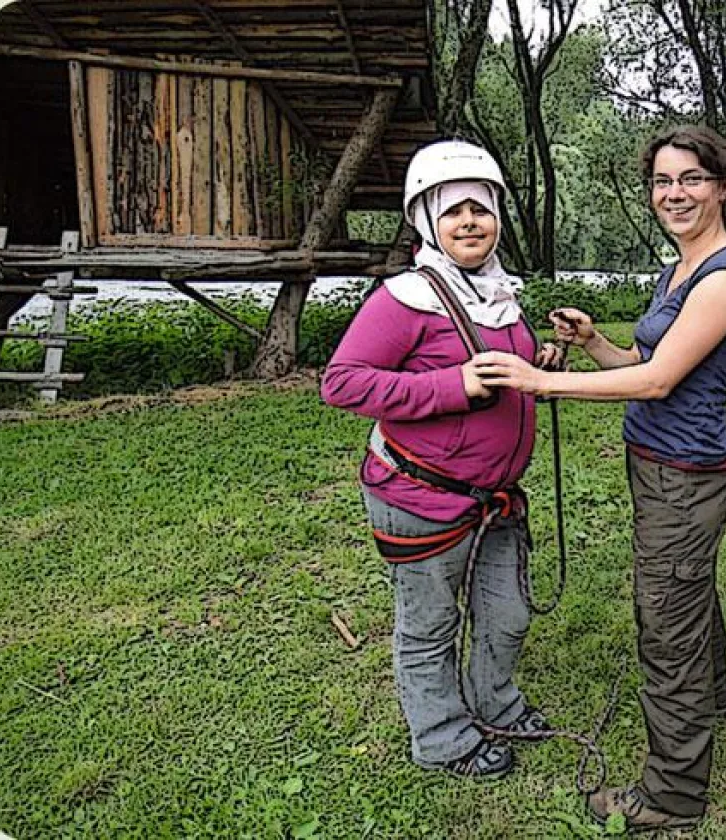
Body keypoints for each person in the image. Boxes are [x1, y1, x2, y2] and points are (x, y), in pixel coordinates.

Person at [473, 125, 726, 831]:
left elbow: (659, 381)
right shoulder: (681, 270)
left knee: (667, 623)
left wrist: (541, 381)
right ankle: (713, 700)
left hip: (685, 475)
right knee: (687, 593)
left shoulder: (725, 276)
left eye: (691, 179)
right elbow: (640, 361)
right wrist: (593, 342)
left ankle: (671, 797)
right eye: (663, 181)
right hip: (662, 467)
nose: (674, 193)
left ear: (723, 187)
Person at [320, 139, 561, 779]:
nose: (470, 223)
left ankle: (495, 703)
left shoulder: (498, 293)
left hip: (494, 500)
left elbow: (500, 367)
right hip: (421, 497)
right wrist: (452, 387)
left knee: (507, 617)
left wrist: (540, 362)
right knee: (428, 627)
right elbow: (341, 382)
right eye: (453, 211)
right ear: (427, 219)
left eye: (480, 209)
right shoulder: (404, 298)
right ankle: (442, 737)